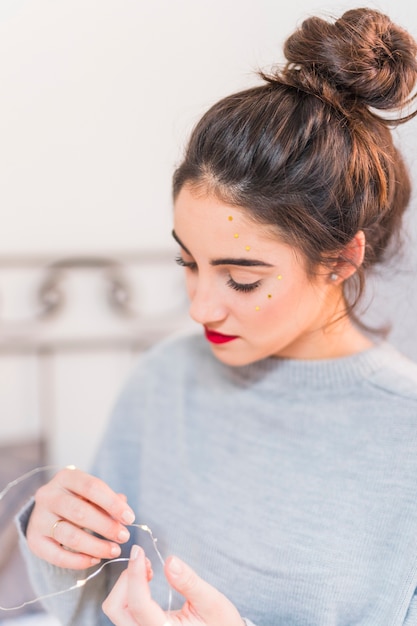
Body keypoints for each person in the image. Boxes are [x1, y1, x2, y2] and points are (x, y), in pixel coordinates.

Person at [15, 6, 417, 626]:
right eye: (187, 262)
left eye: (241, 279)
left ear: (340, 259)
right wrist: (61, 550)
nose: (201, 306)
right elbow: (87, 609)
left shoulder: (405, 436)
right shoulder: (163, 381)